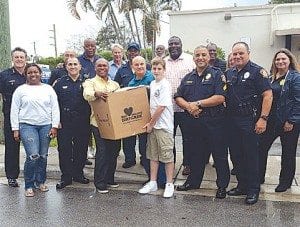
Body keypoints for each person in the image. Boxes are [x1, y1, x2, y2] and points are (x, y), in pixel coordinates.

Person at [175, 46, 230, 199]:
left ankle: (222, 186)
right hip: (194, 124)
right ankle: (193, 182)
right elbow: (178, 96)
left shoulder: (217, 74)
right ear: (193, 58)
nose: (200, 57)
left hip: (215, 123)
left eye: (203, 55)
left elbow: (220, 97)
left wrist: (197, 104)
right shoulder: (188, 77)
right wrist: (188, 106)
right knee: (195, 155)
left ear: (209, 57)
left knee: (219, 157)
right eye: (197, 55)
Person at [226, 42, 273, 205]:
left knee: (251, 156)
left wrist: (263, 119)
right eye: (235, 54)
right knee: (236, 155)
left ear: (248, 54)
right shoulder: (229, 73)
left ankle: (253, 190)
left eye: (241, 53)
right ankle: (242, 185)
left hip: (250, 120)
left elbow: (268, 95)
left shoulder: (257, 72)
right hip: (232, 121)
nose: (237, 56)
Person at [10, 63, 60, 197]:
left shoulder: (48, 89)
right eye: (30, 72)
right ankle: (29, 184)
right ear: (26, 75)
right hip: (27, 125)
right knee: (33, 156)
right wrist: (15, 129)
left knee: (43, 156)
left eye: (36, 72)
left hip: (46, 125)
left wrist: (54, 126)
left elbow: (55, 108)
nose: (33, 75)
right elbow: (14, 110)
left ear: (40, 73)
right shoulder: (20, 90)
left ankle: (40, 181)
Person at [259, 48, 300, 192]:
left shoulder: (295, 77)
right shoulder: (271, 77)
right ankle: (259, 177)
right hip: (271, 121)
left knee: (288, 153)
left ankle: (285, 182)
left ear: (289, 61)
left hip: (288, 122)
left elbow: (298, 101)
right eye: (278, 59)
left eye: (283, 59)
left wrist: (292, 121)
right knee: (261, 148)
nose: (280, 61)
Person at [83, 58, 121, 193]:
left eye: (105, 65)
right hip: (98, 122)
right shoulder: (90, 82)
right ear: (95, 67)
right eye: (99, 66)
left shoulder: (115, 84)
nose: (102, 68)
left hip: (114, 123)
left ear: (108, 67)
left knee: (114, 151)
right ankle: (100, 183)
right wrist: (96, 94)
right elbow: (86, 94)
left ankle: (109, 179)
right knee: (103, 151)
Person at [128, 56, 167, 188]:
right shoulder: (131, 83)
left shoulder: (152, 79)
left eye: (142, 64)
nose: (139, 67)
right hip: (141, 123)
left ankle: (162, 180)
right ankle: (152, 178)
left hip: (156, 121)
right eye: (136, 65)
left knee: (158, 152)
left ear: (146, 65)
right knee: (145, 152)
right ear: (132, 67)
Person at [138, 57, 174, 198]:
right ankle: (153, 182)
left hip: (163, 127)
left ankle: (169, 184)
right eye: (154, 68)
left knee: (166, 156)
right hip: (153, 126)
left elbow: (161, 107)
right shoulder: (153, 83)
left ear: (164, 70)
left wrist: (151, 124)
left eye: (159, 68)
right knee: (153, 156)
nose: (157, 71)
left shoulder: (165, 85)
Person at [54, 57, 91, 189]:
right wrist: (56, 121)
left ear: (80, 66)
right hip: (65, 121)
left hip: (83, 121)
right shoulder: (59, 83)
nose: (73, 66)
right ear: (66, 67)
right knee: (64, 149)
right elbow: (54, 104)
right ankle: (66, 177)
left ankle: (78, 174)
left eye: (75, 64)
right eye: (70, 64)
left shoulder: (87, 83)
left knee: (81, 149)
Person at [114, 42, 151, 168]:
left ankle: (144, 159)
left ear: (138, 52)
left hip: (145, 109)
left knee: (144, 138)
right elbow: (116, 85)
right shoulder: (122, 70)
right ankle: (129, 159)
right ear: (127, 52)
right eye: (130, 50)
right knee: (128, 136)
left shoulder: (148, 70)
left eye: (135, 50)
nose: (133, 52)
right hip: (127, 108)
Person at [165, 36, 195, 176]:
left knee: (188, 138)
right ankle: (171, 163)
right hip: (168, 109)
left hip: (186, 108)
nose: (173, 46)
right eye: (171, 44)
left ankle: (187, 164)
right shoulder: (164, 62)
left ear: (181, 45)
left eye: (176, 43)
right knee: (169, 138)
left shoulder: (190, 60)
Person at [0, 47, 27, 187]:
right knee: (11, 147)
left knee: (33, 147)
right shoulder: (4, 75)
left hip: (29, 116)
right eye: (16, 57)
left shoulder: (31, 73)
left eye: (21, 57)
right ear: (12, 59)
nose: (19, 59)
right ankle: (11, 176)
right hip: (11, 115)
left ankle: (33, 176)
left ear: (25, 59)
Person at [78, 38, 101, 164]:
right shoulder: (79, 60)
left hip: (99, 99)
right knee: (86, 128)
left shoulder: (100, 59)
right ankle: (87, 152)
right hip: (85, 99)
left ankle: (99, 151)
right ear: (84, 47)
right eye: (88, 46)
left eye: (92, 46)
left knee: (98, 126)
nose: (90, 48)